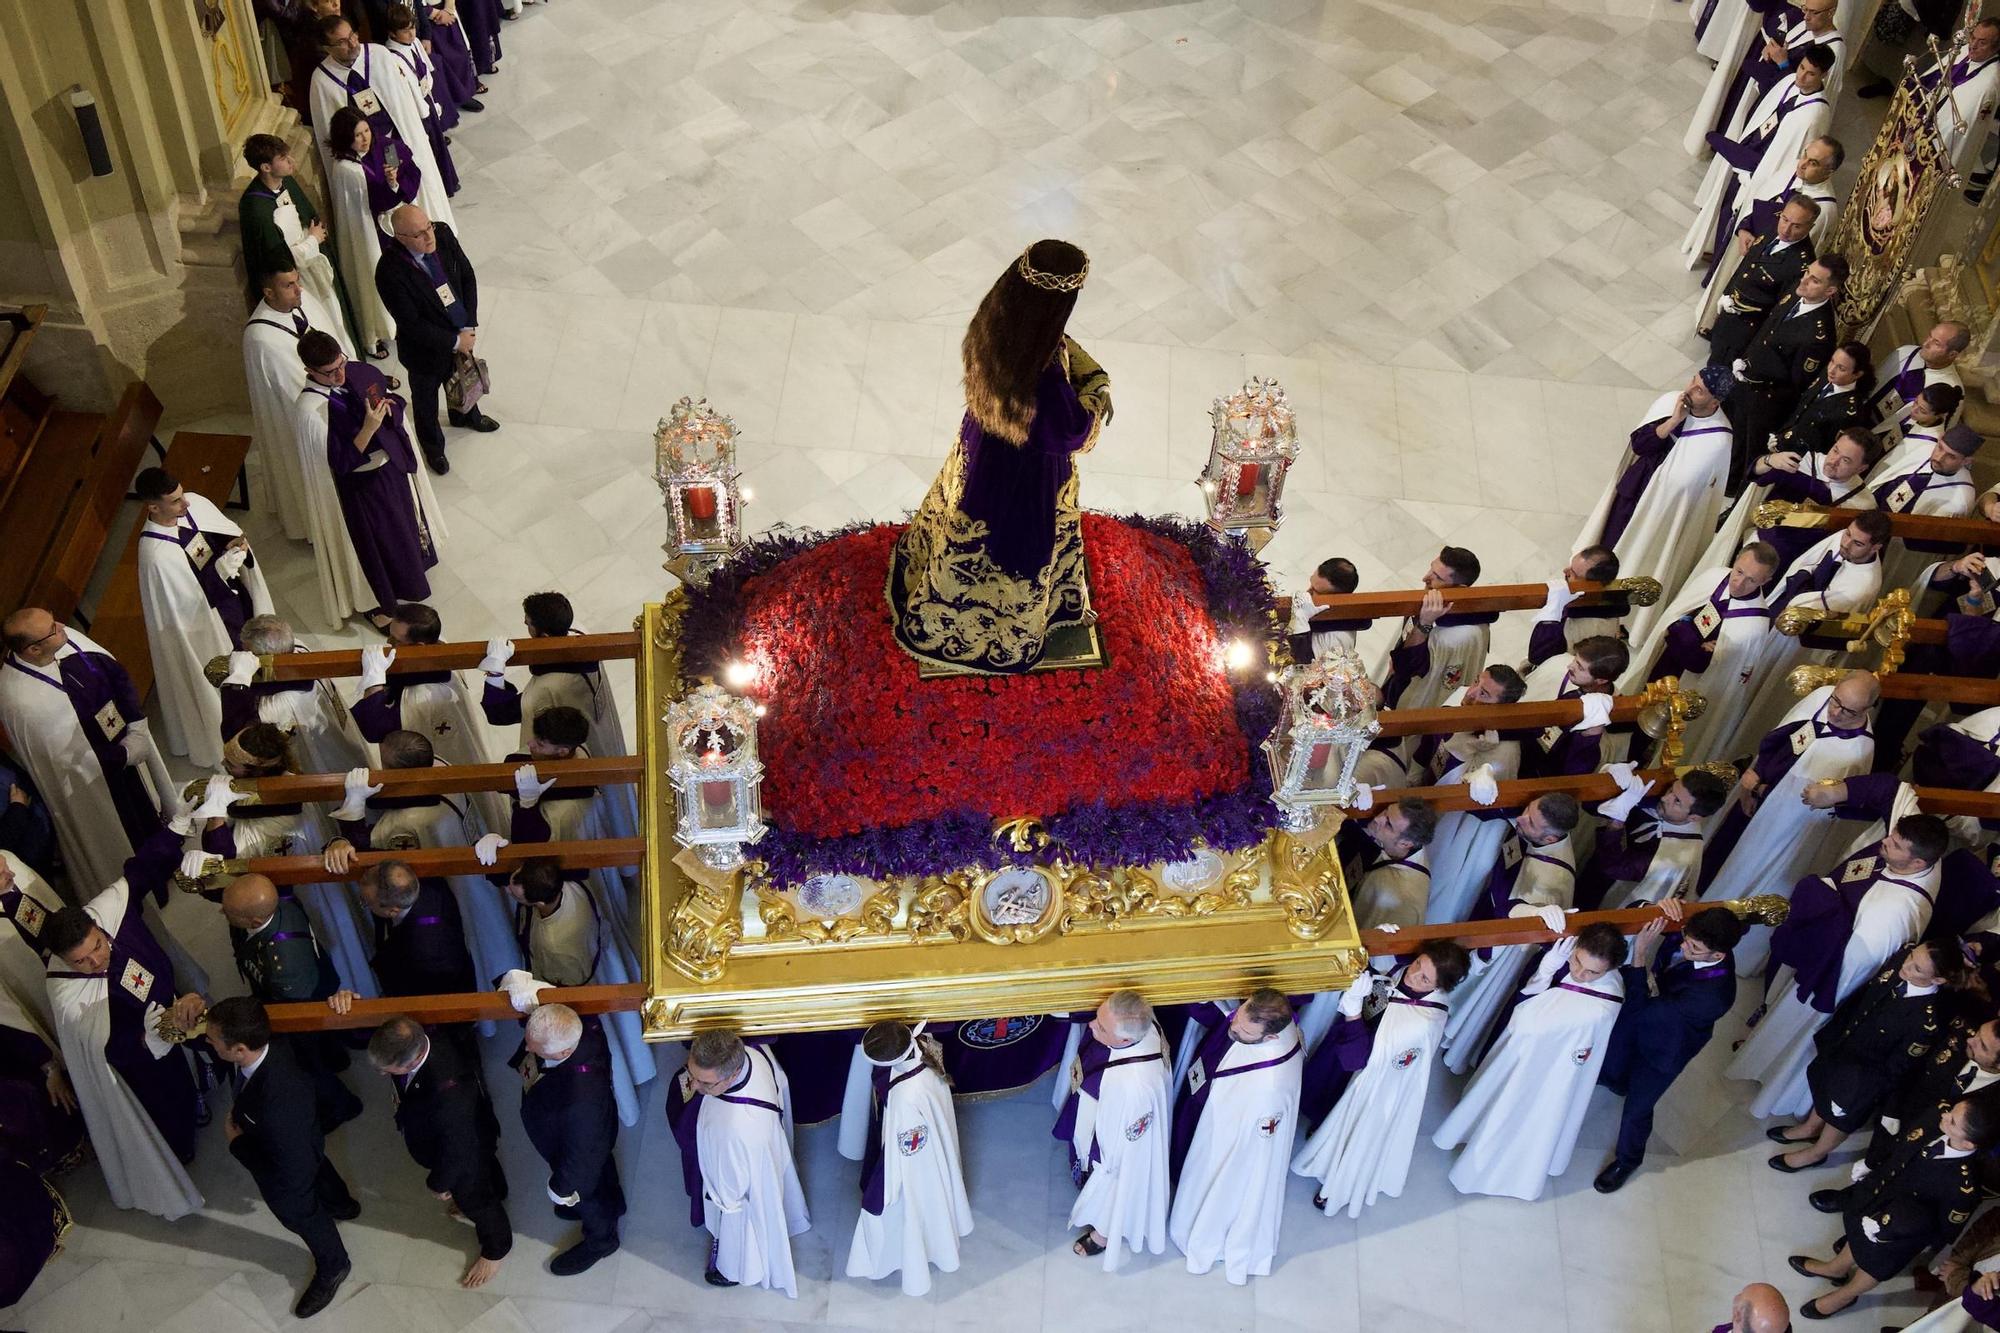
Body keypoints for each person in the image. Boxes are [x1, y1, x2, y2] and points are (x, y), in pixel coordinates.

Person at [888, 240, 1110, 674]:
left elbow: (1059, 343)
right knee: (1013, 553)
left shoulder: (998, 319)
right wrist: (1097, 395)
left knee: (964, 521)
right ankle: (992, 634)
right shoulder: (1042, 379)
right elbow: (1072, 433)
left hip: (981, 447)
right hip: (1026, 478)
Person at [1729, 809, 1948, 1118]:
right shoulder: (1909, 863)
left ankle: (1774, 1089)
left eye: (1896, 845)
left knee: (1797, 1034)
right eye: (1893, 836)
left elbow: (1855, 963)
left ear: (1918, 864)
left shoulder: (1894, 913)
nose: (1885, 842)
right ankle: (1759, 1058)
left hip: (1828, 983)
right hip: (1821, 962)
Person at [40, 825, 206, 1220]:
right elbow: (101, 1050)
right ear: (63, 960)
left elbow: (141, 871)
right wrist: (147, 1041)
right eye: (82, 961)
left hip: (171, 1004)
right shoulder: (68, 995)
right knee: (167, 1099)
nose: (97, 961)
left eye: (97, 946)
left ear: (97, 927)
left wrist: (176, 828)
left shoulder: (110, 912)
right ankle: (180, 1145)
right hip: (139, 1055)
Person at [1698, 672, 1880, 974]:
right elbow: (1779, 738)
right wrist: (1752, 779)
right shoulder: (1822, 696)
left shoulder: (1857, 750)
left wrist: (1758, 791)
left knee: (1745, 868)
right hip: (1757, 789)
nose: (1836, 712)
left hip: (1779, 827)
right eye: (1837, 701)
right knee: (1722, 847)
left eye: (1849, 711)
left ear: (1867, 710)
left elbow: (1811, 803)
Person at [1432, 923, 1628, 1200]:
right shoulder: (1564, 960)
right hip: (1524, 1057)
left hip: (1551, 1076)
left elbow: (1528, 1022)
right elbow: (1525, 999)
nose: (1580, 974)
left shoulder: (1601, 1007)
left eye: (1593, 972)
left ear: (1610, 970)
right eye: (1577, 961)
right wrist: (1545, 971)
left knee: (1519, 1122)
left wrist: (1546, 977)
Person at [205, 997, 358, 1318]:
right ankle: (343, 1204)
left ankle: (334, 1264)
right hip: (305, 1138)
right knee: (319, 1166)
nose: (208, 1041)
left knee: (300, 1212)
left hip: (288, 1164)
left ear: (239, 1050)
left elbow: (291, 1173)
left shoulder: (278, 1103)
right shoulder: (274, 1044)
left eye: (213, 1039)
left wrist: (237, 1144)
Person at [1292, 943, 1470, 1217]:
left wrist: (1352, 1010)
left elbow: (1360, 1060)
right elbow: (1382, 972)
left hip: (1374, 1084)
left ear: (1441, 987)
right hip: (1354, 1049)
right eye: (1417, 964)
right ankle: (1322, 1126)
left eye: (1424, 978)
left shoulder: (1422, 1022)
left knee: (1356, 1134)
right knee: (1328, 1094)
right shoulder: (1401, 972)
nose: (1412, 975)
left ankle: (1336, 1187)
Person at [242, 270, 377, 629]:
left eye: (297, 280)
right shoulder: (261, 337)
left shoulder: (304, 304)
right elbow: (291, 392)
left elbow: (337, 353)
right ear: (268, 291)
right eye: (288, 285)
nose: (298, 288)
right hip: (316, 430)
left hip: (338, 415)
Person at [326, 735, 517, 986]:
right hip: (470, 882)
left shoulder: (406, 823)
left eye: (383, 765)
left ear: (401, 772)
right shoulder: (440, 766)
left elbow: (372, 863)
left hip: (439, 902)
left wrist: (353, 809)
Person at [0, 610, 171, 890]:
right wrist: (124, 755)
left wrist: (137, 724)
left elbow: (112, 672)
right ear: (33, 649)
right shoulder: (22, 701)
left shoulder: (64, 640)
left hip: (120, 740)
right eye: (53, 628)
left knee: (146, 805)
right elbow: (63, 760)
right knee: (121, 828)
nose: (62, 625)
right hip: (94, 780)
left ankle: (166, 856)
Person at [1787, 1094, 1998, 1320]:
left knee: (1873, 1264)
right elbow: (1902, 1147)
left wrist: (1896, 1230)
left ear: (1968, 1143)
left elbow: (1944, 1229)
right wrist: (1873, 1167)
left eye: (1953, 1121)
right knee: (1857, 1234)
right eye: (1951, 1112)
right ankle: (1836, 1268)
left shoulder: (1963, 1187)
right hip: (1882, 1195)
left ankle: (1845, 1296)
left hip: (1901, 1232)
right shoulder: (1937, 1120)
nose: (1945, 1116)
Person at [295, 330, 446, 629]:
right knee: (382, 542)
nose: (340, 375)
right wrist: (368, 428)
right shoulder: (311, 411)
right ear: (309, 371)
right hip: (362, 486)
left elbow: (394, 400)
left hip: (391, 468)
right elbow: (339, 464)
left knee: (405, 525)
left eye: (341, 364)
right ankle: (384, 602)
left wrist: (390, 410)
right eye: (329, 372)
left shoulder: (358, 371)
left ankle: (413, 575)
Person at [1593, 902, 1747, 1193]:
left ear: (1718, 955)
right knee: (1614, 1059)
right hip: (1650, 1012)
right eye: (1686, 939)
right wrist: (1659, 906)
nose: (1686, 948)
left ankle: (1627, 1161)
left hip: (1667, 1045)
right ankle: (1616, 1080)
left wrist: (1639, 955)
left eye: (1695, 949)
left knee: (1637, 1108)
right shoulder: (1698, 933)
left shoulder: (1713, 997)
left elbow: (1643, 1011)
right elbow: (1639, 910)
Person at [1767, 940, 1961, 1171]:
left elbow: (1898, 1068)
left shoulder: (1926, 1022)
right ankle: (1810, 1127)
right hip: (1847, 1045)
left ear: (1938, 980)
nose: (1907, 966)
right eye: (1911, 956)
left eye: (1917, 968)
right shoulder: (1901, 961)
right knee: (1824, 1089)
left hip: (1867, 1075)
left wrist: (1867, 1093)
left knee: (1842, 1115)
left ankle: (1816, 1153)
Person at [1579, 368, 1734, 648]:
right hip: (1637, 489)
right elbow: (1639, 444)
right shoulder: (1671, 403)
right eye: (1692, 382)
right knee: (1610, 544)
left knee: (1637, 556)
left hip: (1660, 512)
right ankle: (1588, 584)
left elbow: (1690, 486)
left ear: (1715, 402)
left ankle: (1614, 610)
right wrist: (1673, 421)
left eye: (1699, 390)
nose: (1689, 390)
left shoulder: (1719, 439)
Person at [132, 467, 275, 769]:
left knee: (257, 646)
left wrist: (236, 547)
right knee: (232, 663)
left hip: (235, 599)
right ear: (153, 507)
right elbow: (186, 607)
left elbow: (220, 533)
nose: (185, 505)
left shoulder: (193, 503)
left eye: (183, 495)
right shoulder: (156, 554)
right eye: (175, 501)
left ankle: (266, 696)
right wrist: (222, 570)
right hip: (208, 623)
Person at [1438, 793, 1583, 1073]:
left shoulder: (1552, 880)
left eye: (1529, 821)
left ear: (1551, 839)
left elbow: (1515, 918)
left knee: (1471, 993)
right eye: (1526, 811)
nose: (1520, 819)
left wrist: (1531, 913)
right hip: (1492, 911)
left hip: (1506, 950)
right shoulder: (1540, 835)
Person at [1167, 989, 1301, 1285]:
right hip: (1221, 1119)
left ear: (1269, 1039)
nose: (1234, 1028)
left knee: (1217, 1185)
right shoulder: (1261, 1024)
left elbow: (1254, 1141)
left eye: (1243, 1030)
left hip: (1236, 1146)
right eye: (1238, 1018)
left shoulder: (1271, 1088)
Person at [1727, 512, 1891, 747]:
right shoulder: (1843, 541)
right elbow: (1802, 566)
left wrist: (1801, 587)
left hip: (1794, 645)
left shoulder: (1862, 586)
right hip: (1784, 608)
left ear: (1876, 547)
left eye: (1857, 543)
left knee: (1761, 684)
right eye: (1847, 534)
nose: (1845, 543)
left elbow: (1809, 613)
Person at [664, 1030, 810, 1294]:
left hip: (741, 1195)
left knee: (737, 1227)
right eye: (692, 1073)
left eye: (706, 1084)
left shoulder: (734, 1128)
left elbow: (730, 1198)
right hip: (763, 1147)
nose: (694, 1086)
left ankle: (734, 1268)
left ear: (732, 1074)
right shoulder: (750, 1054)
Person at [369, 1015, 510, 1287]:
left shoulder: (448, 1097)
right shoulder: (428, 1038)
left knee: (477, 1201)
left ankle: (496, 1248)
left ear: (411, 1061)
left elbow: (458, 1151)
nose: (383, 1074)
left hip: (462, 1153)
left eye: (387, 1069)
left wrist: (439, 1183)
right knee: (487, 1169)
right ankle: (499, 1188)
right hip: (474, 1133)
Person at [220, 873, 366, 1125]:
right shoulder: (281, 904)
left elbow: (291, 1003)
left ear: (254, 920)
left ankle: (340, 1106)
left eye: (229, 912)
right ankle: (335, 1057)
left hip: (299, 1004)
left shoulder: (283, 962)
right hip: (316, 981)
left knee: (306, 1060)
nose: (222, 912)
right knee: (326, 1046)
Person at [845, 1020, 971, 1296]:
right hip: (932, 1143)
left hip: (914, 1167)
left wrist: (883, 1192)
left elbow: (906, 1152)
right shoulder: (923, 1046)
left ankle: (912, 1260)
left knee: (912, 1213)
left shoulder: (905, 1097)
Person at [1686, 45, 1836, 274]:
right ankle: (1716, 253)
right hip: (1750, 155)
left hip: (1764, 170)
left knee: (1740, 214)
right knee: (1727, 207)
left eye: (1810, 73)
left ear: (1823, 75)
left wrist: (1763, 175)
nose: (1802, 76)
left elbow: (1799, 155)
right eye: (1802, 67)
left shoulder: (1816, 113)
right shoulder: (1789, 83)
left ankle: (1722, 266)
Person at [1623, 541, 1781, 758]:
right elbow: (1674, 621)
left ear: (1766, 581)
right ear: (1735, 562)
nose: (1739, 582)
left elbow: (1702, 664)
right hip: (1668, 658)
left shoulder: (1755, 624)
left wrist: (1683, 633)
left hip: (1694, 682)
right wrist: (1686, 634)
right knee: (1646, 699)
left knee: (1668, 725)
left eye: (1751, 579)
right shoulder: (1714, 577)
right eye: (1739, 571)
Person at [1052, 989, 1171, 1271]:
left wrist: (1100, 1160)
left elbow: (1124, 1145)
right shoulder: (1141, 1024)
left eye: (1101, 1026)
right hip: (1098, 1092)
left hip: (1113, 1146)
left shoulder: (1134, 1087)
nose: (1092, 1025)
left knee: (1117, 1183)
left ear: (1125, 1039)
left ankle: (1104, 1232)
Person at [376, 203, 495, 475]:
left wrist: (468, 325)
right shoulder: (390, 271)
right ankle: (433, 448)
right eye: (419, 234)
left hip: (460, 330)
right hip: (424, 351)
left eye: (428, 226)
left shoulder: (441, 234)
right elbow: (412, 324)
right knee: (426, 401)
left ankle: (466, 416)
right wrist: (455, 342)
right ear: (401, 238)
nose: (429, 236)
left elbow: (466, 275)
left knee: (463, 379)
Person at [306, 15, 454, 230]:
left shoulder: (378, 55)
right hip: (366, 158)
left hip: (395, 140)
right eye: (342, 42)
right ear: (326, 48)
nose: (352, 43)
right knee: (388, 206)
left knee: (411, 187)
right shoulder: (322, 81)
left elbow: (403, 101)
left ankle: (427, 229)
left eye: (352, 36)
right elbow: (329, 134)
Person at [512, 1002, 625, 1276]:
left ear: (563, 1051)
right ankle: (615, 1202)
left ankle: (602, 1240)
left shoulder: (581, 1102)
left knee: (588, 1194)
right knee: (603, 1173)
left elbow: (581, 1158)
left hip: (577, 1147)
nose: (527, 1049)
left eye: (535, 1047)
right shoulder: (578, 1027)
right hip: (583, 1133)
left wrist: (563, 1188)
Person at [1724, 256, 1847, 488]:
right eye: (1807, 273)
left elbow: (1795, 383)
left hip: (1766, 399)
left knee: (1751, 451)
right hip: (1746, 378)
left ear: (1830, 290)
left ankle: (1733, 490)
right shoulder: (1797, 292)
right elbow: (1767, 330)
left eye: (1814, 280)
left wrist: (1758, 381)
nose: (1805, 280)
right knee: (1733, 433)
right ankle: (1723, 475)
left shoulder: (1819, 336)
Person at [1702, 428, 1878, 581]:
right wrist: (1769, 460)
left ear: (1861, 468)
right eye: (1835, 450)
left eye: (1846, 460)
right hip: (1757, 544)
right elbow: (1755, 475)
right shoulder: (1803, 463)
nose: (1833, 460)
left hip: (1796, 566)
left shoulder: (1861, 503)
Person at [348, 606, 495, 778]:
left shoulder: (420, 698)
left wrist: (374, 681)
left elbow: (373, 729)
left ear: (418, 647)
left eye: (396, 640)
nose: (388, 642)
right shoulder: (437, 646)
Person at [238, 133, 351, 353]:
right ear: (266, 167)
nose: (292, 162)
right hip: (298, 279)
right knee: (321, 324)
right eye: (283, 158)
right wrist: (313, 240)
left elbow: (307, 216)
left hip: (313, 265)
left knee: (335, 316)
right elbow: (278, 258)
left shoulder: (286, 181)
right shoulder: (255, 207)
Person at [220, 615, 371, 775]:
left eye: (248, 654)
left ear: (267, 660)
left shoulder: (282, 703)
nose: (244, 657)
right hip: (325, 723)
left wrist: (238, 678)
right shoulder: (296, 647)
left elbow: (237, 734)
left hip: (310, 744)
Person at [1575, 767, 1731, 910]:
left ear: (1694, 818)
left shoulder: (1675, 857)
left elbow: (1614, 866)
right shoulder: (1661, 796)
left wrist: (1616, 822)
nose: (1665, 798)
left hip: (1615, 892)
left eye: (1677, 801)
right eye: (1672, 790)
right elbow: (1592, 806)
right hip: (1592, 867)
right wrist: (1610, 777)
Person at [1702, 193, 1820, 368]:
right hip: (1730, 316)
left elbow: (1778, 312)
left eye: (1796, 226)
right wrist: (1726, 294)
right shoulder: (1773, 228)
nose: (1786, 229)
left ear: (1810, 226)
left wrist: (1753, 350)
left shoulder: (1800, 265)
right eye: (1785, 219)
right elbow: (1746, 268)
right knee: (1714, 359)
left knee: (1721, 375)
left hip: (1747, 332)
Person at [1377, 546, 1493, 710]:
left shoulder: (1459, 636)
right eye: (1431, 569)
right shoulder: (1432, 602)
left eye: (1437, 577)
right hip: (1395, 684)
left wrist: (1424, 623)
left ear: (1460, 589)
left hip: (1416, 696)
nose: (1425, 578)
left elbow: (1409, 667)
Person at [1514, 637, 1626, 779]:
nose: (1569, 667)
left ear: (1602, 680)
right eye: (1575, 660)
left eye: (1580, 667)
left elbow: (1576, 769)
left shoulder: (1598, 715)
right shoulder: (1580, 691)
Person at [378, 6, 458, 198]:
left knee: (439, 146)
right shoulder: (392, 57)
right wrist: (424, 110)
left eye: (412, 28)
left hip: (426, 99)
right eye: (405, 31)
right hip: (417, 111)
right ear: (392, 34)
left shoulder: (412, 43)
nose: (411, 33)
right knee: (431, 150)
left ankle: (449, 183)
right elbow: (408, 89)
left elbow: (425, 68)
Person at [1523, 546, 1627, 672]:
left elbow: (1538, 656)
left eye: (1573, 573)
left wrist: (1554, 609)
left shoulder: (1593, 628)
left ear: (1590, 586)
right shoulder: (1586, 599)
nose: (1565, 571)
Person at [1346, 797, 1438, 931]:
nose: (1378, 818)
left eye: (1388, 824)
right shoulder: (1393, 842)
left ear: (1405, 844)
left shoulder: (1403, 899)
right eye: (1385, 811)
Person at [1770, 340, 1874, 457]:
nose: (1831, 370)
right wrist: (1777, 435)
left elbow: (1824, 449)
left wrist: (1782, 446)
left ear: (1857, 374)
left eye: (1841, 368)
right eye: (1832, 361)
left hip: (1794, 458)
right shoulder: (1827, 374)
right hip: (1778, 436)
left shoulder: (1849, 413)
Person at [1918, 21, 2000, 168]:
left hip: (1935, 145)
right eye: (1973, 37)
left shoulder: (1988, 86)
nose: (1973, 45)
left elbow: (1958, 132)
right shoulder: (1963, 51)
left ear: (1996, 48)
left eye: (1982, 43)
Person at [1870, 321, 1971, 437]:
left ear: (1952, 354)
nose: (1926, 343)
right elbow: (1875, 379)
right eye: (1930, 336)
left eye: (1936, 343)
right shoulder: (1906, 351)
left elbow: (1938, 433)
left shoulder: (1951, 391)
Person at [1288, 555, 1365, 661]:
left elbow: (1307, 669)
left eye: (1316, 591)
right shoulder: (1313, 605)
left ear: (1335, 599)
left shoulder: (1338, 640)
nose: (1308, 592)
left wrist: (1300, 624)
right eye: (1311, 583)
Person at [1719, 1282, 1792, 1332]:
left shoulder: (1723, 1330)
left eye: (1741, 1295)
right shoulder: (1780, 1328)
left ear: (1737, 1316)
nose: (1736, 1296)